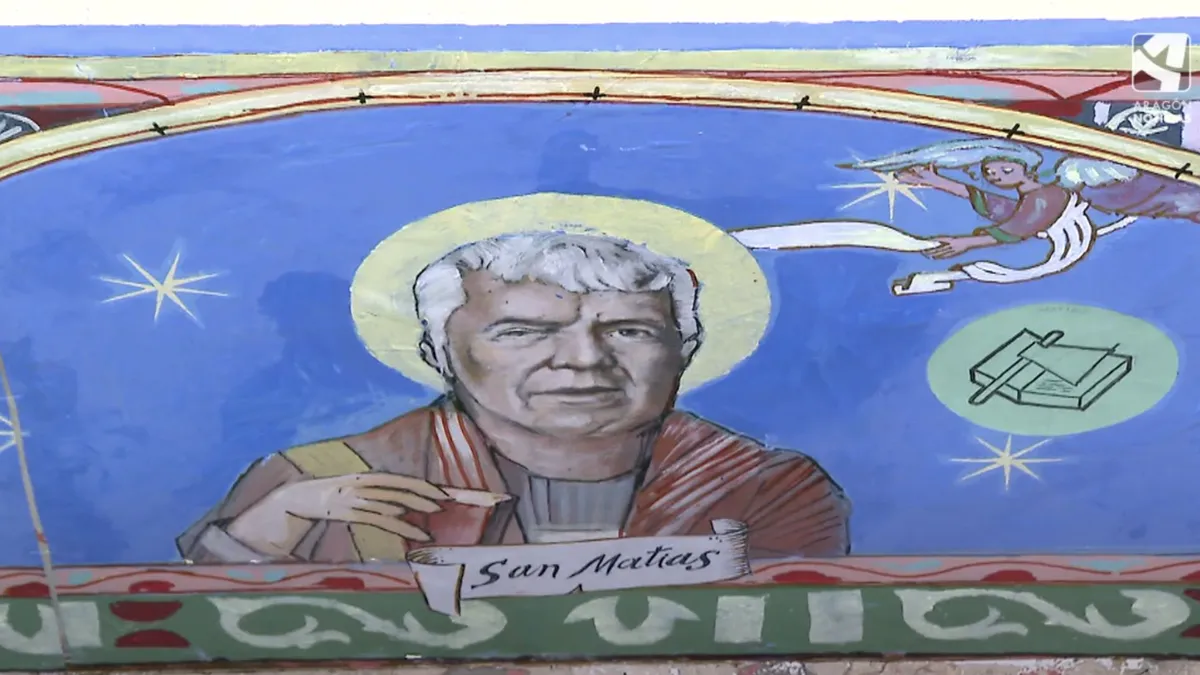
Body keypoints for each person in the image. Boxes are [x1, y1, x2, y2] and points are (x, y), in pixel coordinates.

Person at [178, 231, 851, 564]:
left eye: (629, 330)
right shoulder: (313, 483)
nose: (584, 359)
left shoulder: (769, 487)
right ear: (440, 352)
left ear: (684, 349)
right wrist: (253, 541)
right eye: (524, 331)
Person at [897, 158, 1073, 260]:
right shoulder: (1031, 199)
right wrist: (936, 181)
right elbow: (998, 206)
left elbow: (1019, 227)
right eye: (988, 173)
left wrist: (966, 243)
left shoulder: (1046, 196)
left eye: (1006, 169)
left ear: (1027, 169)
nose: (995, 175)